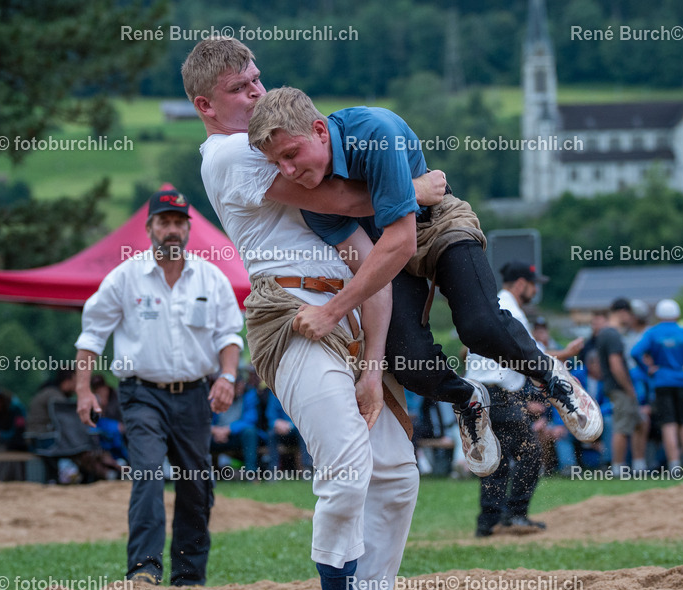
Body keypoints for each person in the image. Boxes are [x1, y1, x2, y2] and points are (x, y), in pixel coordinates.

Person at [184, 37, 419, 590]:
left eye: (256, 80)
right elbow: (347, 199)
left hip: (344, 316)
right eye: (238, 89)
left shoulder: (273, 145)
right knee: (346, 464)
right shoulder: (230, 153)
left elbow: (368, 254)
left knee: (397, 473)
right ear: (206, 106)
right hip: (288, 313)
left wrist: (373, 367)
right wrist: (414, 188)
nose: (255, 92)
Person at [246, 86, 603, 450]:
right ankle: (468, 399)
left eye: (291, 154)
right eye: (277, 164)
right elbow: (371, 267)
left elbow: (402, 241)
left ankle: (551, 376)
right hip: (384, 251)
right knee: (408, 363)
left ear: (320, 131)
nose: (287, 171)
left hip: (435, 223)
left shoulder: (374, 133)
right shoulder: (313, 200)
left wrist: (331, 311)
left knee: (480, 326)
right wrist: (372, 371)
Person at [74, 188, 244, 587]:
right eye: (164, 222)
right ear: (149, 228)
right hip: (141, 394)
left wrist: (227, 377)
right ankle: (144, 570)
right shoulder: (125, 276)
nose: (172, 229)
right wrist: (83, 390)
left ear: (188, 229)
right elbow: (92, 336)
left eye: (179, 223)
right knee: (148, 474)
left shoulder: (211, 277)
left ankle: (188, 577)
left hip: (195, 394)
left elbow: (229, 335)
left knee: (196, 483)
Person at [467, 262, 580, 537]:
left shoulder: (492, 305)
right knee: (530, 451)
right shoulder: (511, 310)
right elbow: (532, 355)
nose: (535, 291)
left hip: (481, 392)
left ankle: (489, 521)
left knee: (497, 458)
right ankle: (515, 515)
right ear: (520, 284)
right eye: (533, 285)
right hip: (498, 393)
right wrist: (567, 353)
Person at [631, 299, 683, 474]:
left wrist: (648, 369)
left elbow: (635, 352)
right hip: (682, 380)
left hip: (662, 381)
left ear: (658, 315)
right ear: (677, 315)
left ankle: (674, 465)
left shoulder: (652, 333)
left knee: (668, 424)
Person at [596, 298, 647, 475]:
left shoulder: (605, 333)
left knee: (640, 422)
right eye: (630, 314)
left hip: (615, 387)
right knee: (622, 428)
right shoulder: (612, 334)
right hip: (619, 388)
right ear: (623, 312)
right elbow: (616, 364)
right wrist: (629, 388)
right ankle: (618, 467)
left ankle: (639, 464)